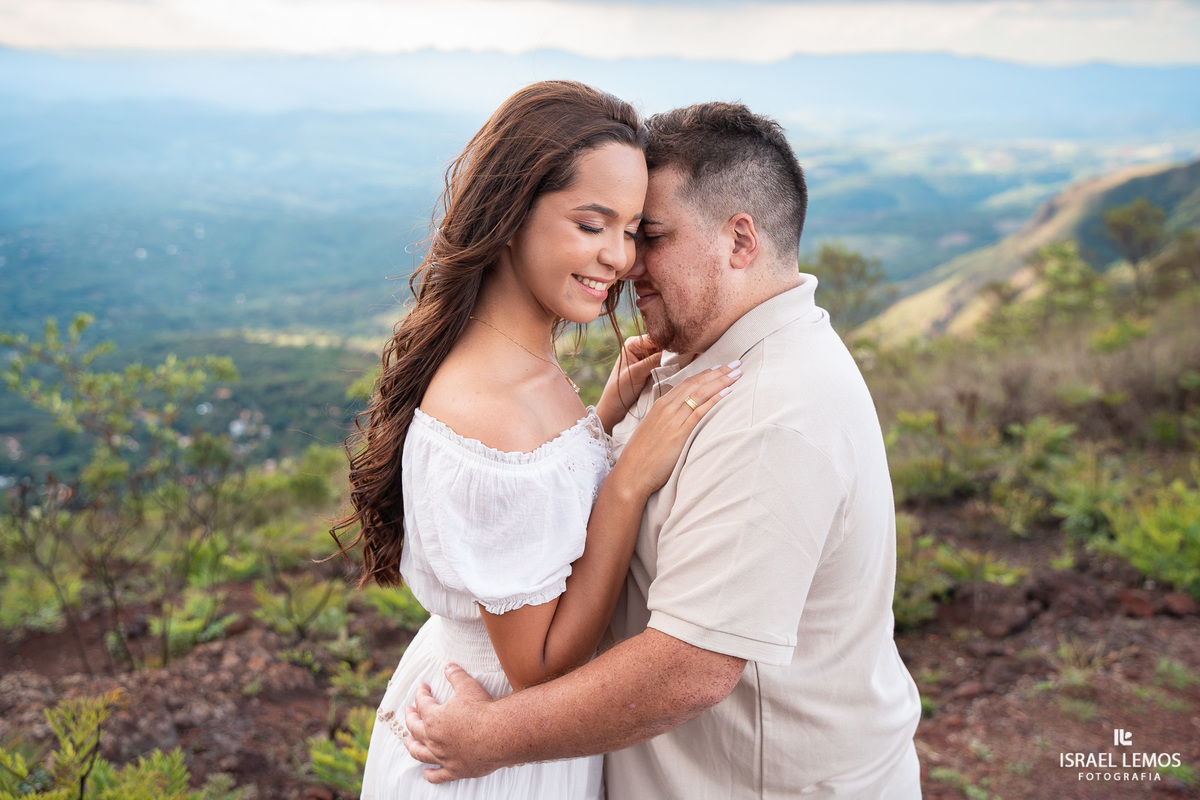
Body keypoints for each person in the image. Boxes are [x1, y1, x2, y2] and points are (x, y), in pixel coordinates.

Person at [401, 102, 924, 798]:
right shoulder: (700, 353)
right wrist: (605, 428)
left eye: (649, 235)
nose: (627, 263)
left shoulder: (769, 415)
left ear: (740, 242)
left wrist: (485, 738)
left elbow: (691, 668)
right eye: (606, 227)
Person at [329, 82, 741, 800]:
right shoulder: (496, 410)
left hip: (500, 725)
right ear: (513, 214)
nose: (619, 258)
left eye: (633, 230)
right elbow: (540, 669)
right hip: (495, 747)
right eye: (591, 225)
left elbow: (537, 501)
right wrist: (627, 480)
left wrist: (602, 421)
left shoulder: (516, 362)